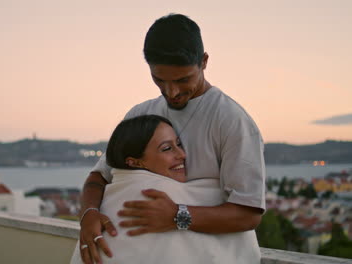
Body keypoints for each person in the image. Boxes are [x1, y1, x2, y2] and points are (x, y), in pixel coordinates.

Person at [78, 14, 266, 264]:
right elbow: (99, 177)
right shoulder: (140, 114)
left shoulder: (232, 121)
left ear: (204, 62)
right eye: (159, 80)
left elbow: (249, 214)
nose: (171, 92)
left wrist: (178, 215)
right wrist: (88, 213)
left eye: (182, 80)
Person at [70, 115, 260, 264]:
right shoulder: (160, 193)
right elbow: (244, 226)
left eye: (178, 144)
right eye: (167, 148)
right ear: (134, 162)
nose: (182, 154)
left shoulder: (109, 196)